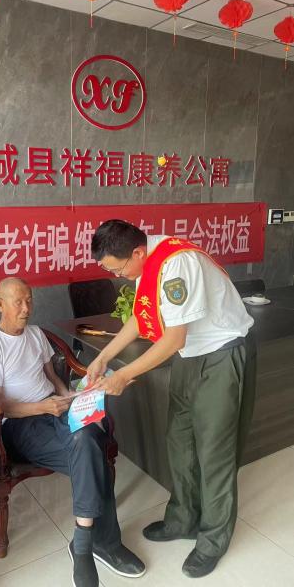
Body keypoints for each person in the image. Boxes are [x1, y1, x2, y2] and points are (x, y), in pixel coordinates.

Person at [87, 219, 257, 579]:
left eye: (118, 270)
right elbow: (141, 316)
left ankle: (213, 539)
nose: (118, 276)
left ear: (137, 252)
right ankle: (183, 519)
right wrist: (104, 357)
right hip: (190, 356)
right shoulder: (147, 262)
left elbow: (174, 338)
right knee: (180, 441)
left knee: (214, 451)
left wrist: (123, 375)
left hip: (221, 354)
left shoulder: (177, 263)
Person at [0, 277, 145, 587]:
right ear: (0, 304)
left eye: (29, 300)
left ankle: (85, 543)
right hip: (19, 425)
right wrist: (42, 407)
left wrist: (71, 398)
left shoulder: (36, 334)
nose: (26, 308)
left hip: (54, 410)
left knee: (89, 437)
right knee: (89, 448)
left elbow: (51, 376)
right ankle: (100, 544)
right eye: (18, 302)